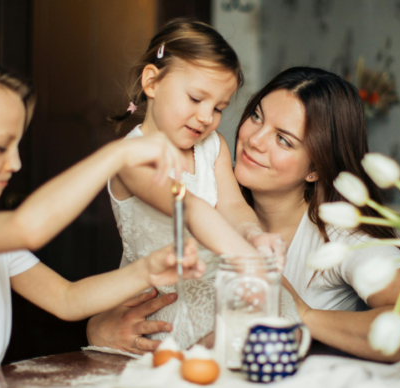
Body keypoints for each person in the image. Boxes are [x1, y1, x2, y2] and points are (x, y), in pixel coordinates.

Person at [0, 51, 203, 388]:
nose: (15, 163)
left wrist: (146, 269)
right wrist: (116, 154)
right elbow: (27, 228)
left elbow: (66, 298)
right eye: (1, 147)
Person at [90, 67, 400, 366]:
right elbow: (135, 293)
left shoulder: (340, 236)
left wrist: (301, 314)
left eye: (284, 140)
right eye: (256, 116)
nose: (254, 140)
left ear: (316, 169)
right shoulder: (203, 196)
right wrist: (100, 327)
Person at [106, 19, 297, 350]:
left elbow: (233, 206)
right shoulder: (131, 157)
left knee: (271, 313)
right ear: (152, 82)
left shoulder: (213, 147)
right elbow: (189, 207)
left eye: (219, 108)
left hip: (212, 286)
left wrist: (253, 235)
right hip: (161, 302)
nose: (207, 117)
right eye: (196, 99)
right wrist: (245, 257)